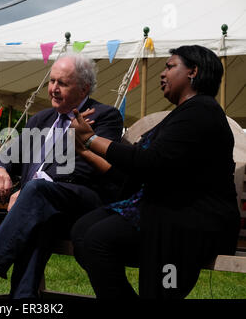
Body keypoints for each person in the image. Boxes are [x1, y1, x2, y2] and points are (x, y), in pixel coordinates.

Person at [0, 53, 124, 299]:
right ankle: (23, 300)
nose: (53, 88)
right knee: (41, 221)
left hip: (84, 206)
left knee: (36, 194)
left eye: (62, 83)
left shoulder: (104, 116)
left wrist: (31, 190)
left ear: (84, 87)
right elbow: (8, 155)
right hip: (45, 211)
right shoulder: (40, 119)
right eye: (51, 81)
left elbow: (85, 170)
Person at [70, 45, 241, 299]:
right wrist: (85, 150)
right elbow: (133, 174)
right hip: (161, 210)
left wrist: (93, 140)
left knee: (97, 239)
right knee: (84, 232)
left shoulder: (202, 111)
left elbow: (149, 162)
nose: (162, 74)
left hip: (191, 220)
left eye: (170, 66)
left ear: (193, 71)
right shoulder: (180, 115)